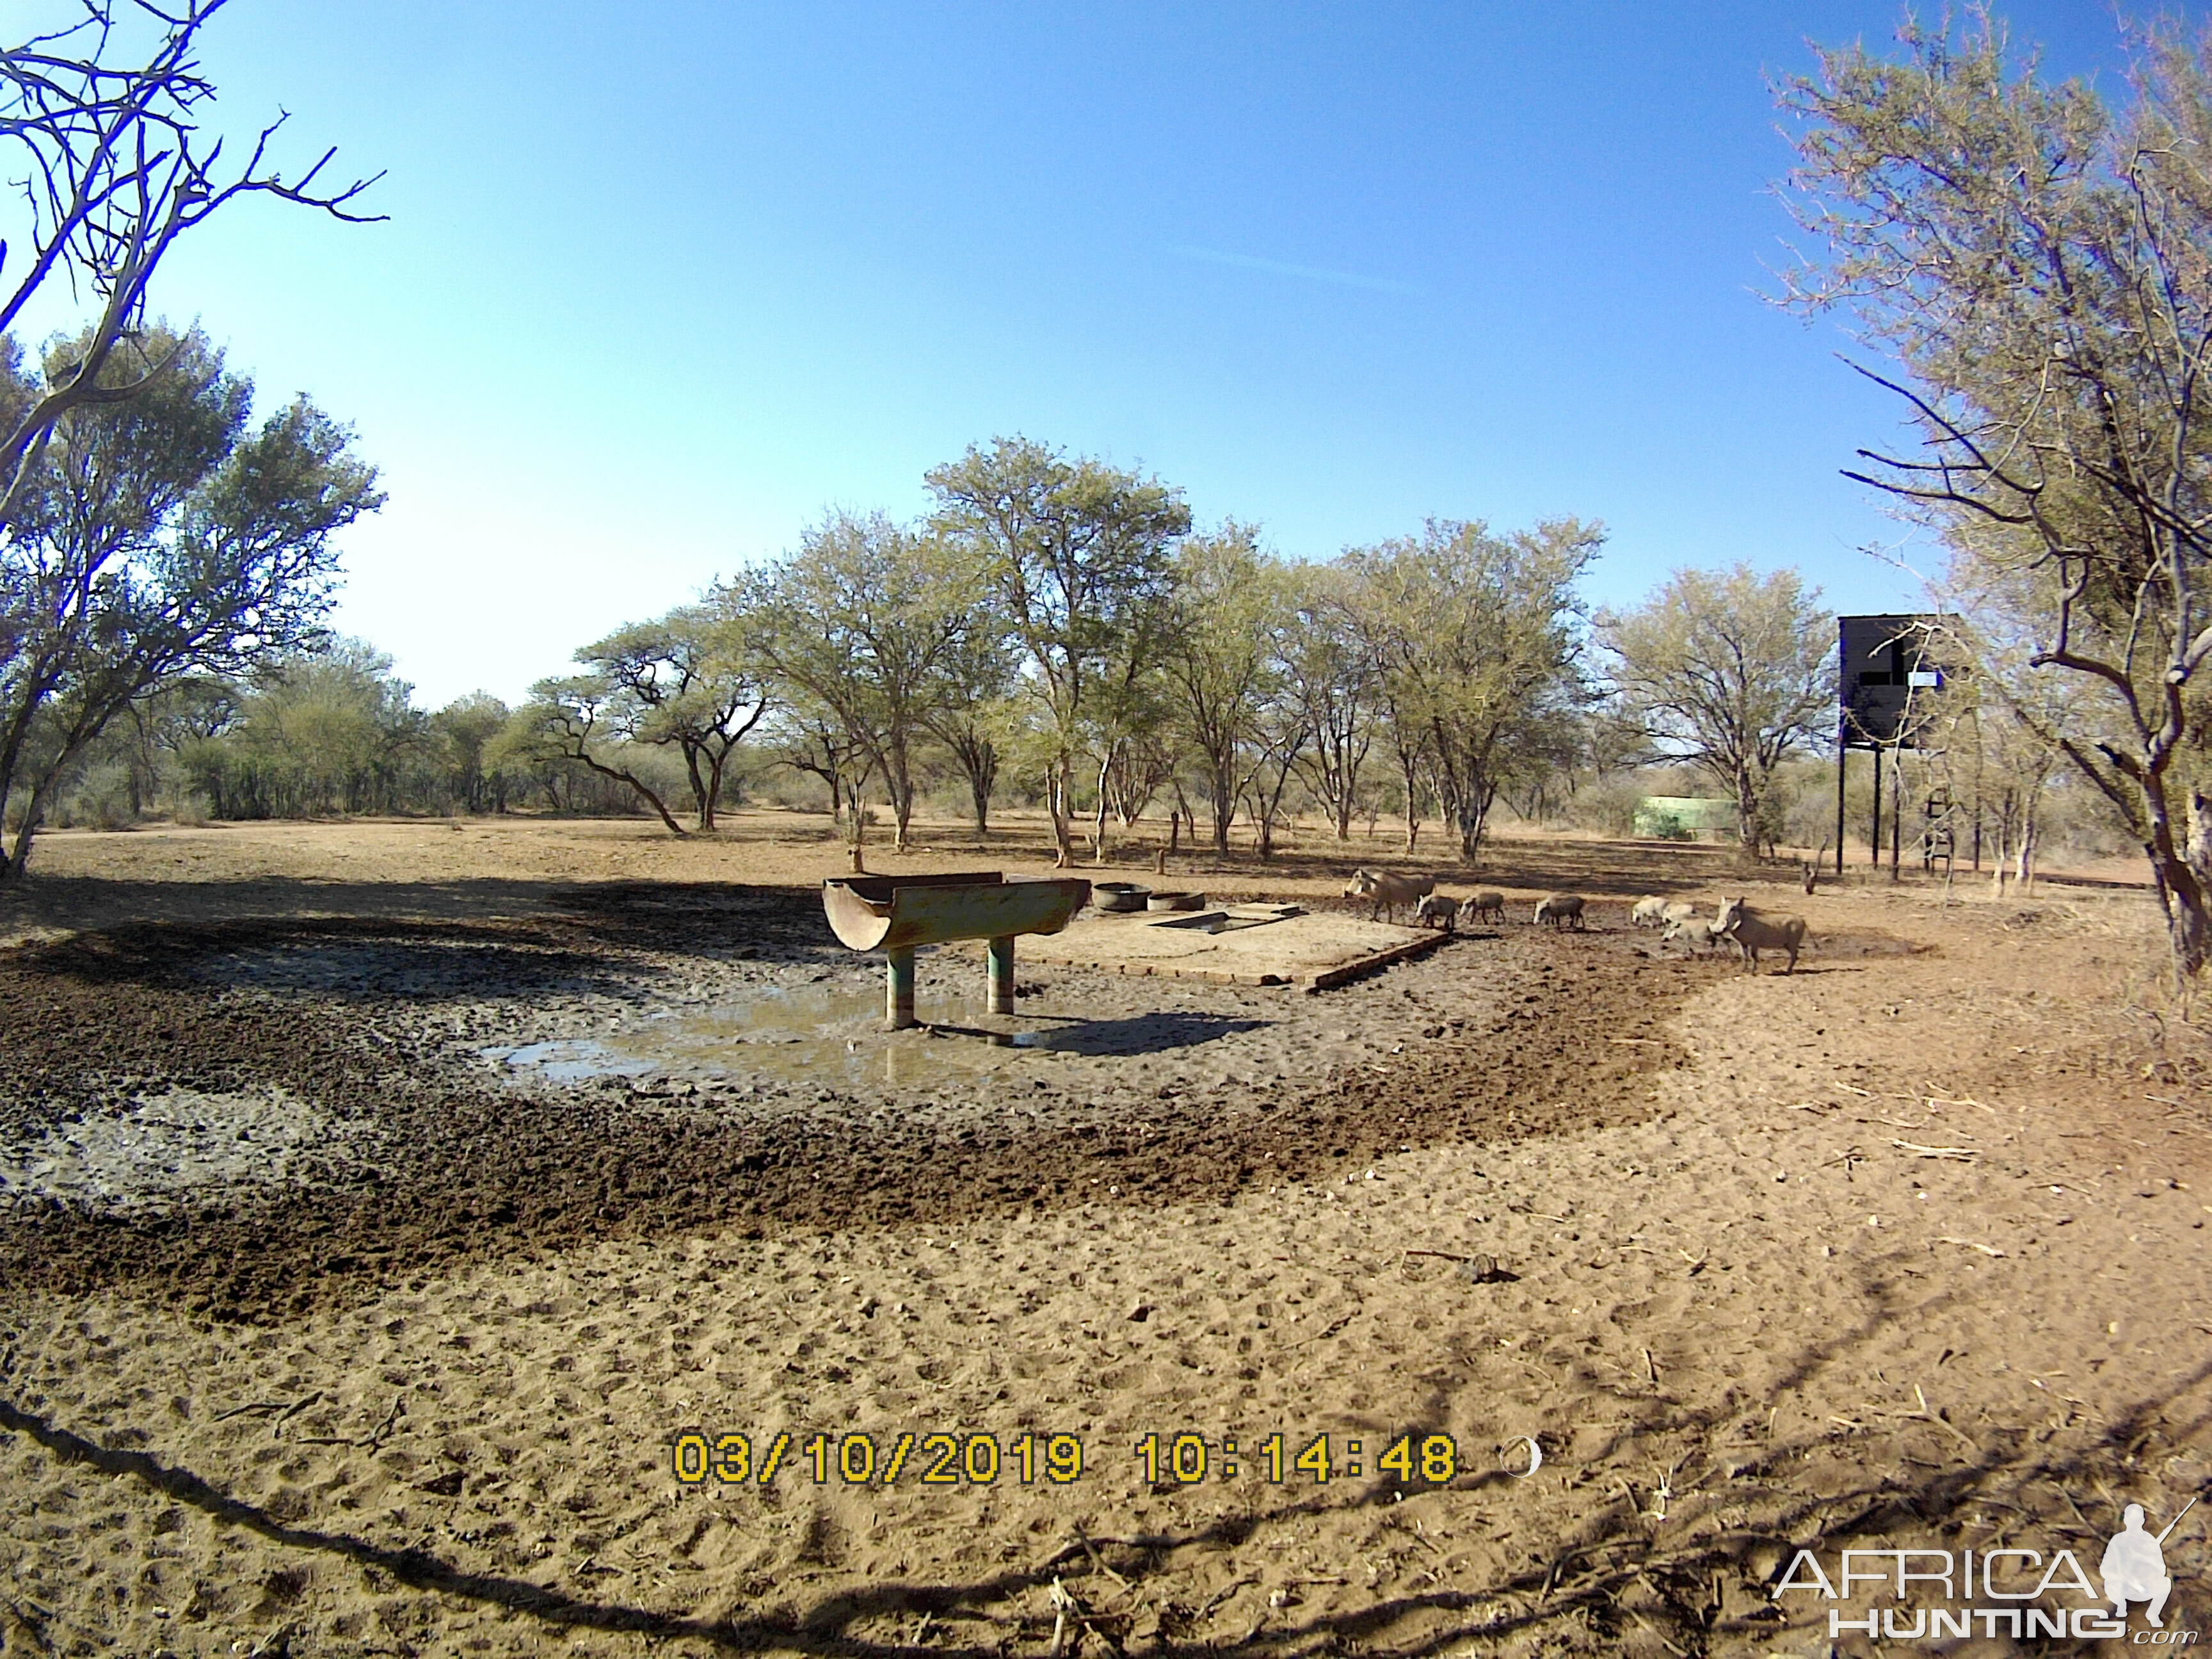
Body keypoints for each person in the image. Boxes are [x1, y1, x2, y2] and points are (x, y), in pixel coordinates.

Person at [2102, 1504, 2172, 1626]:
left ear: (2143, 1521)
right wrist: (2121, 1575)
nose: (2134, 1523)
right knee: (2115, 1589)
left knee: (2165, 1583)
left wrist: (2145, 1559)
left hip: (2142, 1584)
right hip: (2121, 1583)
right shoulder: (2118, 1540)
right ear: (2126, 1520)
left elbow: (2161, 1568)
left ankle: (2153, 1614)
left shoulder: (2149, 1540)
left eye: (2138, 1519)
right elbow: (2105, 1569)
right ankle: (2116, 1612)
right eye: (2131, 1519)